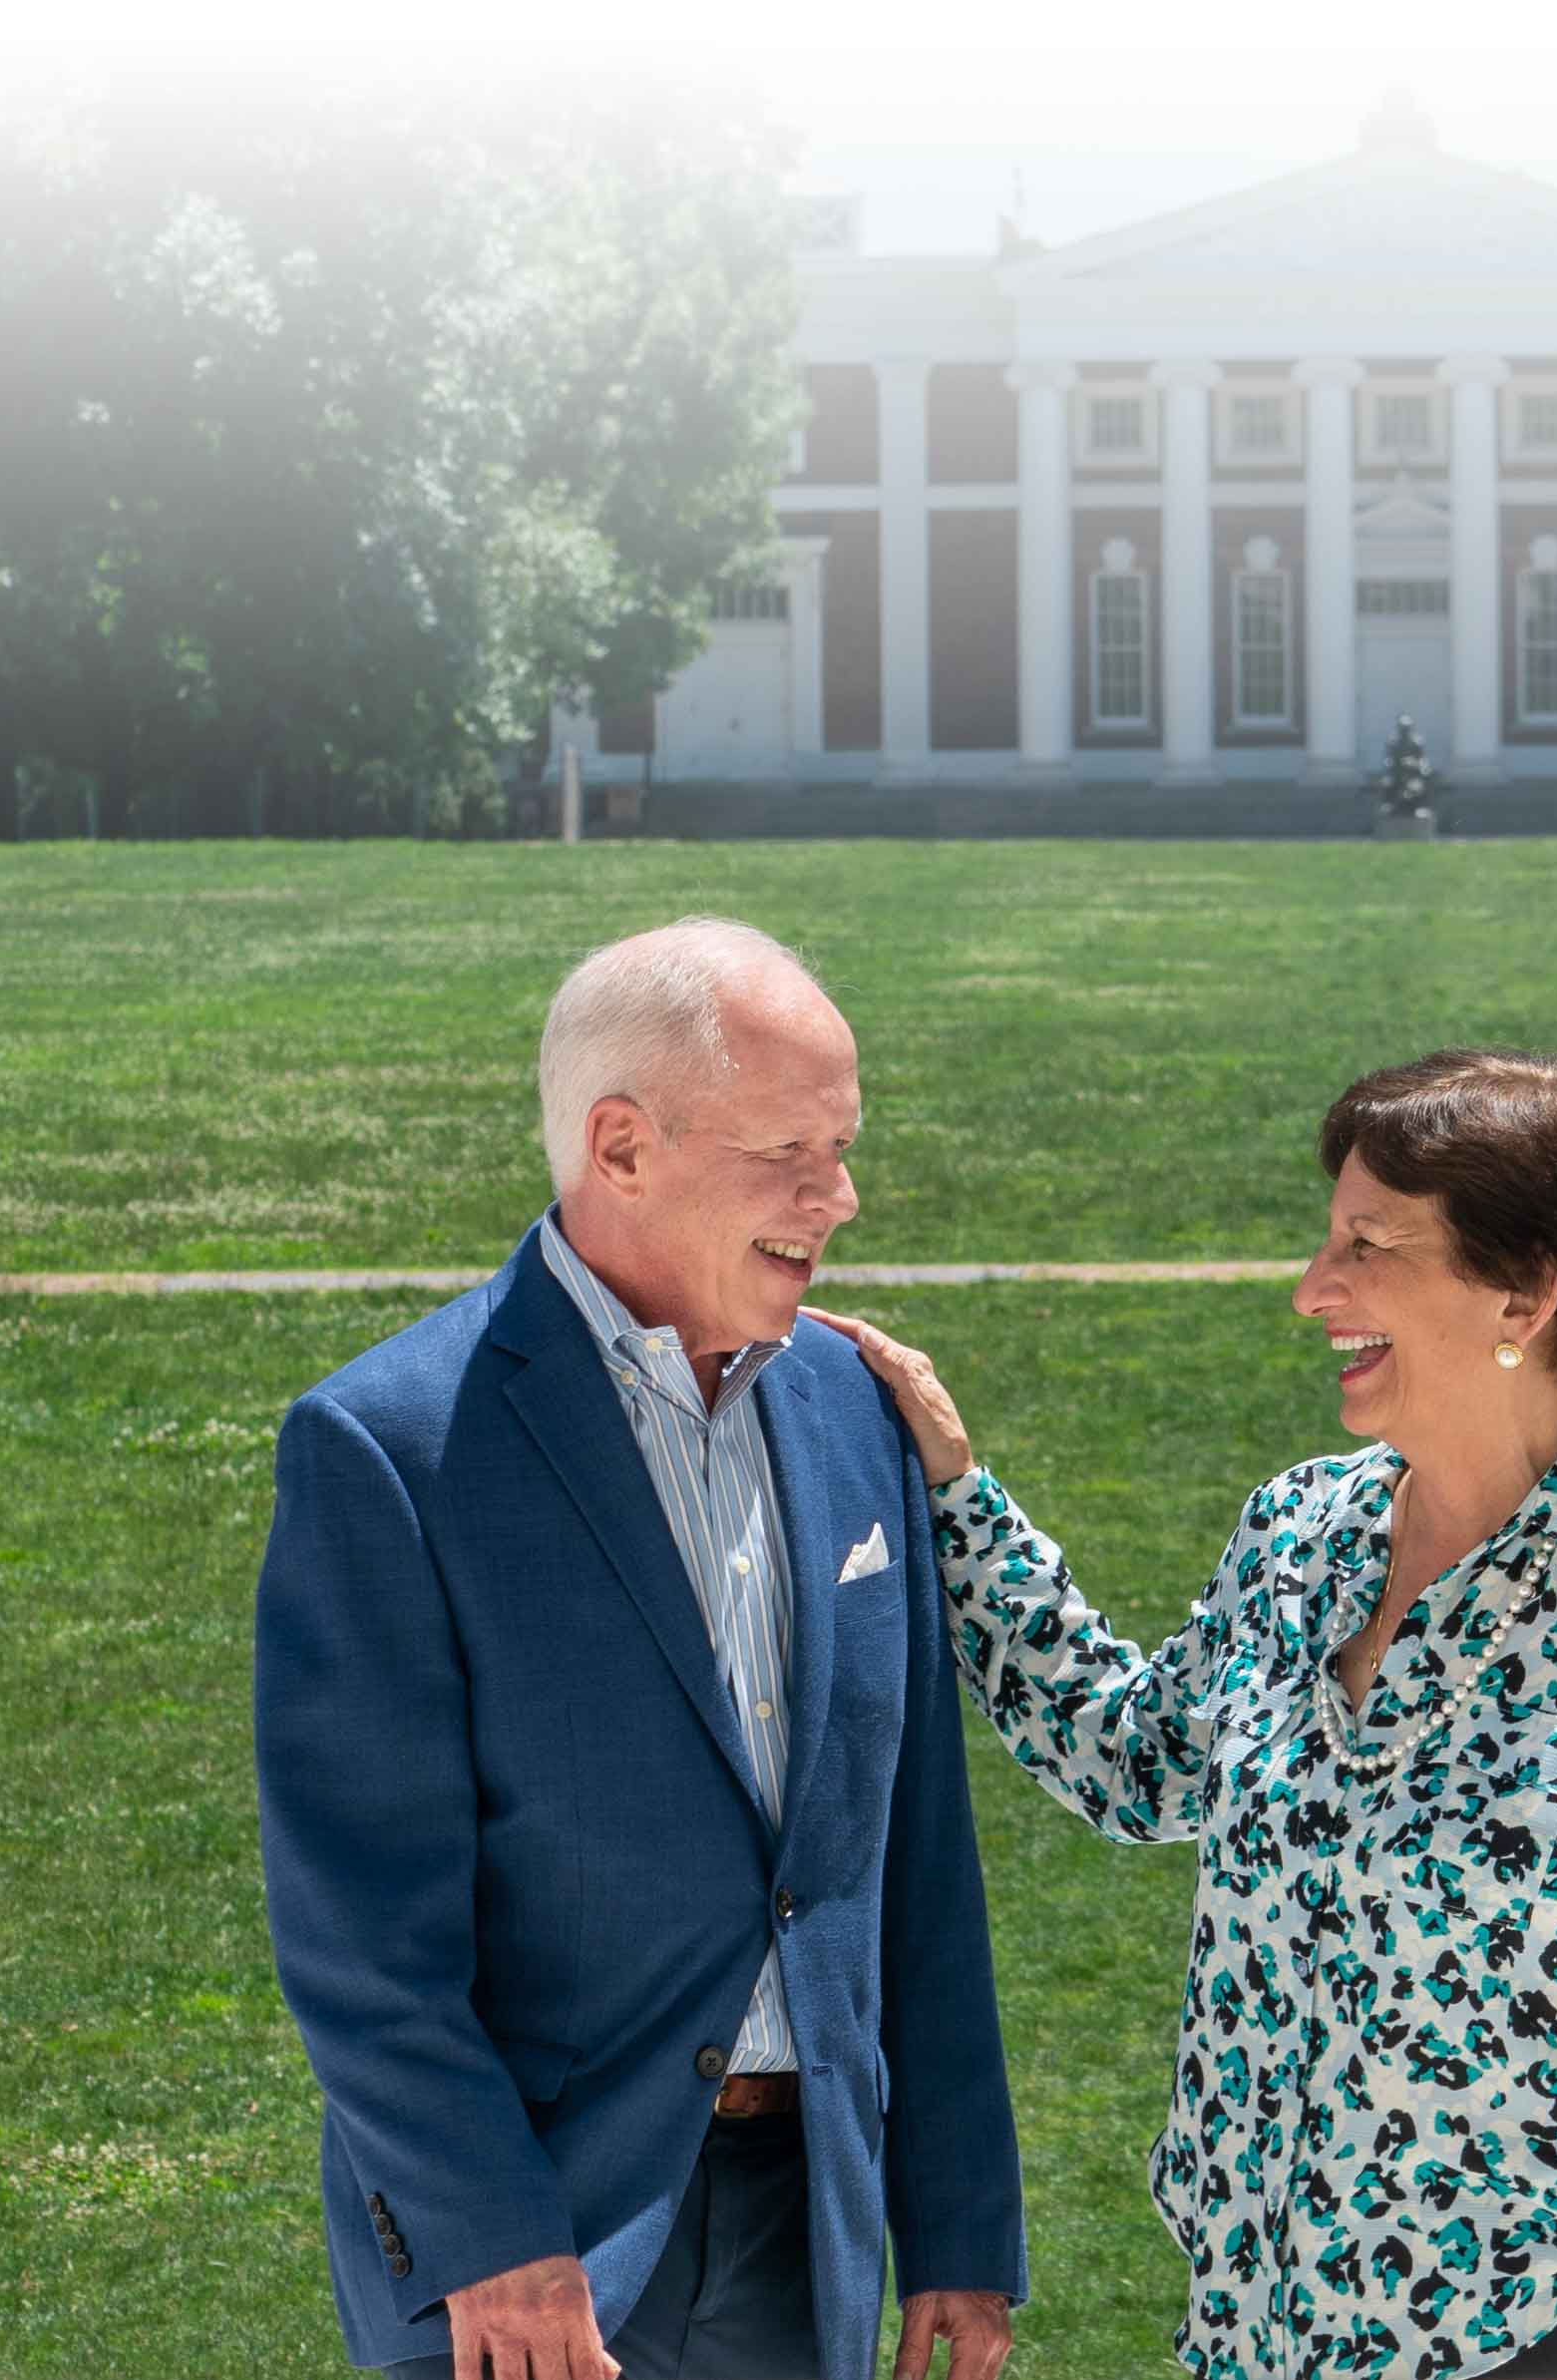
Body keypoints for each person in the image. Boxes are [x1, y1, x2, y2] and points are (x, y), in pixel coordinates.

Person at [811, 1053, 1557, 2380]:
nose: (1313, 1289)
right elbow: (1137, 1759)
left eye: (1367, 1248)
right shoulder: (1300, 1537)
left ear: (1526, 1293)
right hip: (1264, 2336)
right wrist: (958, 1500)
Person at [256, 919, 1026, 2380]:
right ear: (620, 1146)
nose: (840, 1197)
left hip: (813, 2242)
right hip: (539, 2258)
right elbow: (363, 1934)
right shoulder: (389, 1448)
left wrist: (960, 2220)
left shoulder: (861, 1417)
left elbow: (914, 1854)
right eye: (791, 1152)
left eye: (844, 1146)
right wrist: (491, 2231)